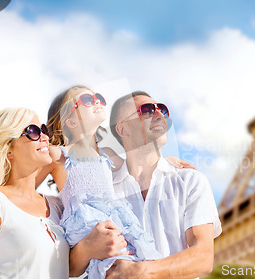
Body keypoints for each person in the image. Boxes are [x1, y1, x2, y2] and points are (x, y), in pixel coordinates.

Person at [43, 86, 192, 278]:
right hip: (87, 222)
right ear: (70, 120)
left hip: (115, 219)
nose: (97, 101)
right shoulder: (59, 155)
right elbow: (27, 166)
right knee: (114, 265)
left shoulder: (108, 154)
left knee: (135, 259)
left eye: (98, 97)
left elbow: (138, 161)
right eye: (88, 99)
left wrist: (168, 161)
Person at [72, 91, 222, 279]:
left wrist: (141, 272)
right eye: (147, 110)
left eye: (162, 109)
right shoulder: (103, 191)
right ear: (122, 129)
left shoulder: (191, 181)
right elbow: (72, 266)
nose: (159, 114)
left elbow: (203, 257)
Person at [0, 108, 69, 279]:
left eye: (43, 130)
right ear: (8, 150)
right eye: (33, 131)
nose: (45, 137)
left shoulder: (58, 206)